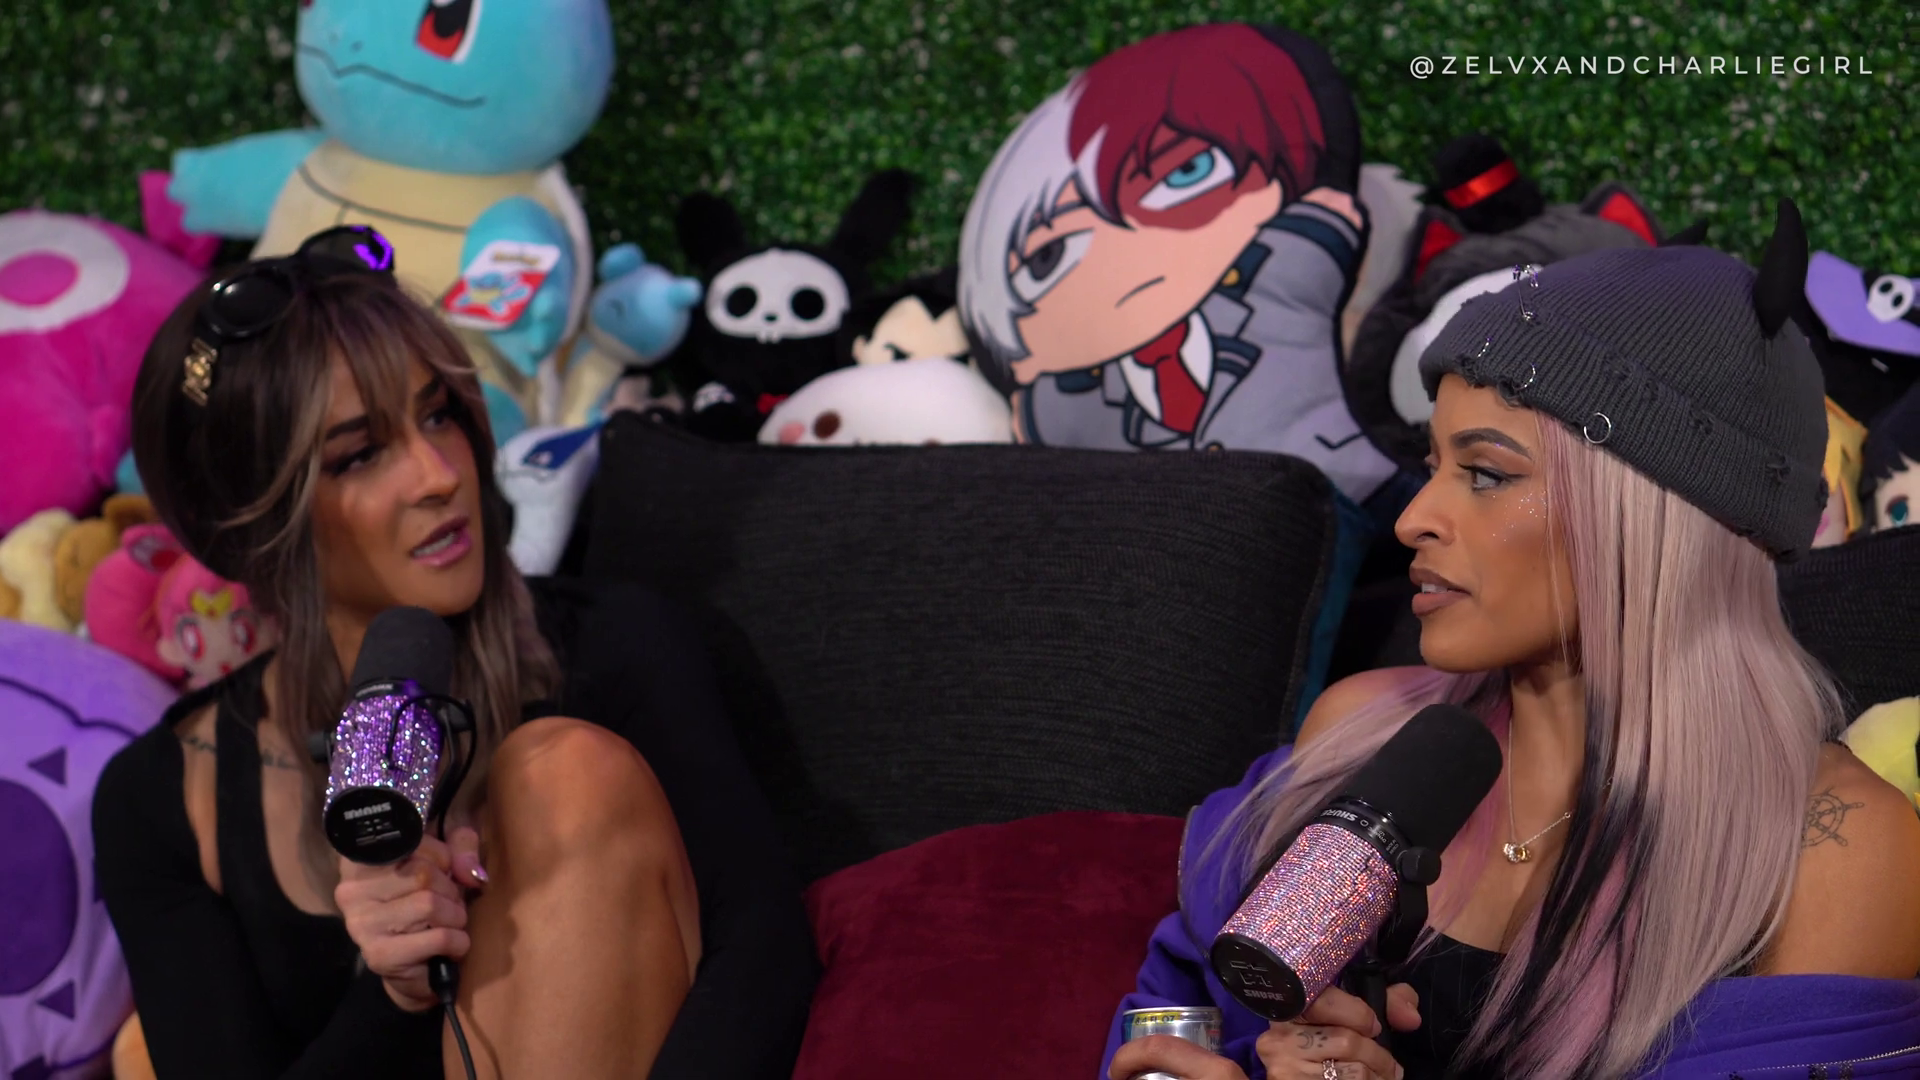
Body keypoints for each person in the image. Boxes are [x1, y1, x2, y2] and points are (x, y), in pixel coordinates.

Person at [1103, 203, 1920, 1080]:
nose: (1415, 520)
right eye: (1432, 467)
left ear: (1654, 518)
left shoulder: (1833, 851)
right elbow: (1178, 1018)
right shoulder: (1358, 741)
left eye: (1487, 474)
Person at [93, 226, 817, 1080]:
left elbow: (766, 956)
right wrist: (398, 987)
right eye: (360, 455)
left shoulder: (618, 644)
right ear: (252, 528)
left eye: (438, 414)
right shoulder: (161, 798)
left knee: (558, 771)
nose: (439, 474)